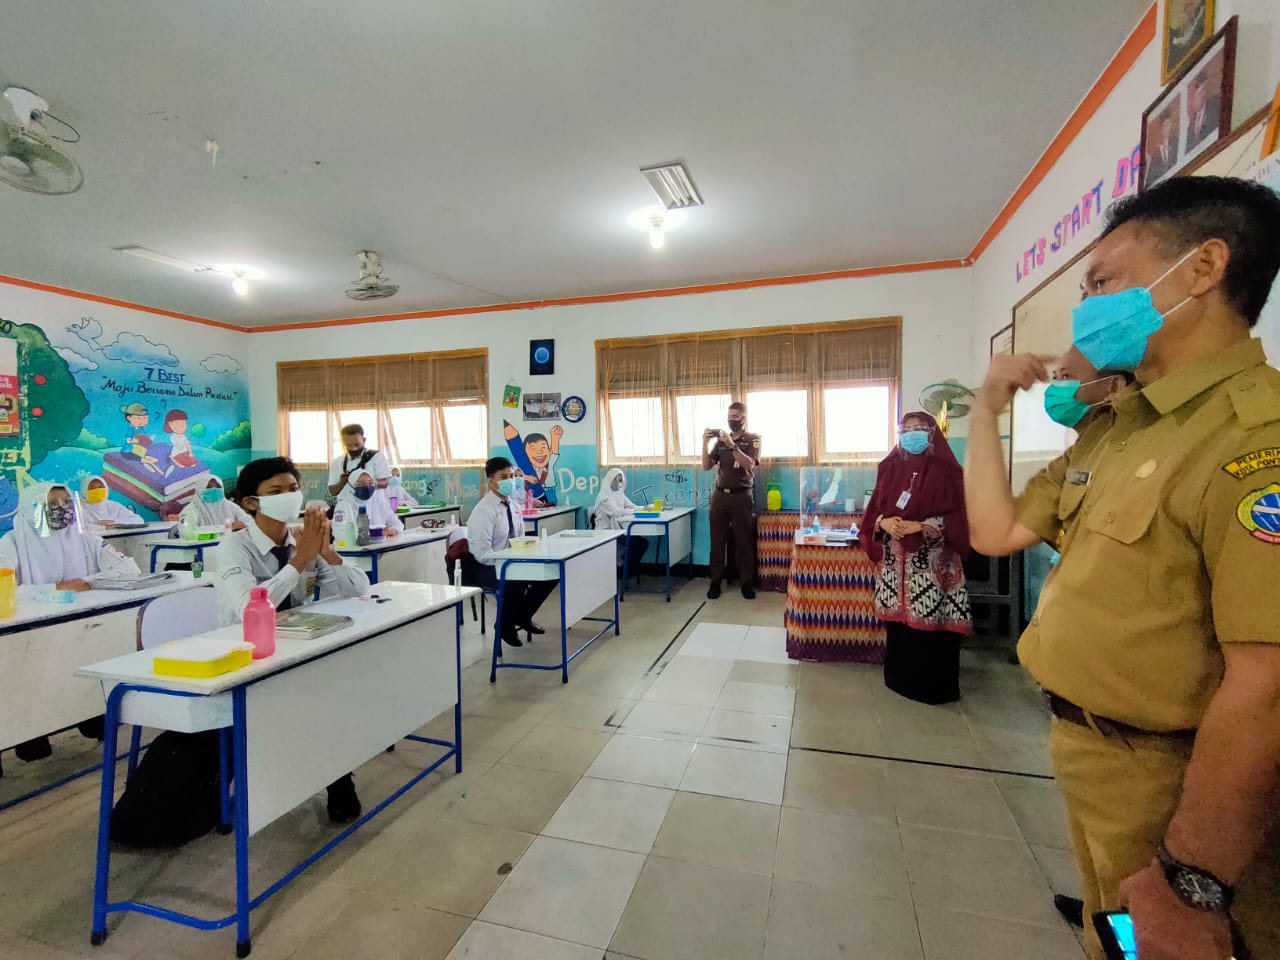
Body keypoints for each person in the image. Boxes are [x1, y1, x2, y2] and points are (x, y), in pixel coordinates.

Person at [965, 176, 1280, 960]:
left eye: (1105, 281)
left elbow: (1267, 683)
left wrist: (1193, 878)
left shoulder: (1253, 441)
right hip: (1092, 758)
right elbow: (996, 529)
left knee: (1174, 943)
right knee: (1115, 938)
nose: (1089, 306)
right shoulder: (1121, 429)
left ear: (1203, 269)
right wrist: (982, 411)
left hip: (1176, 790)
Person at [215, 456, 370, 823]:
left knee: (339, 683)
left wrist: (326, 552)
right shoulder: (234, 547)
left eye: (293, 489)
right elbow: (247, 608)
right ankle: (322, 776)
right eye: (275, 491)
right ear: (251, 502)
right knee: (317, 697)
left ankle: (337, 775)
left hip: (295, 644)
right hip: (244, 654)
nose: (289, 496)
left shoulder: (300, 538)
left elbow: (355, 591)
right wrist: (299, 561)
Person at [0, 482, 141, 761]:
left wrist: (87, 582)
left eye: (66, 503)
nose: (62, 510)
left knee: (79, 670)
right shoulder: (12, 542)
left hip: (78, 626)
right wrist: (55, 589)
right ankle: (31, 734)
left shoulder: (84, 537)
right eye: (52, 505)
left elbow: (128, 568)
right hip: (30, 634)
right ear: (32, 510)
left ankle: (84, 717)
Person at [858, 412, 971, 704]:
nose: (912, 434)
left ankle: (932, 688)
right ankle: (899, 680)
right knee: (900, 627)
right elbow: (875, 510)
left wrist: (922, 527)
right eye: (905, 429)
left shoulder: (946, 470)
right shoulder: (890, 467)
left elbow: (960, 515)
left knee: (932, 624)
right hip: (896, 563)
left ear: (932, 432)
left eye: (919, 428)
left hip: (933, 563)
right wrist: (883, 523)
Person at [468, 457, 555, 647]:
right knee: (515, 578)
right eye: (503, 477)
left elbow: (520, 539)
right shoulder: (484, 511)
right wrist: (509, 562)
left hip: (511, 561)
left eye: (511, 476)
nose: (510, 481)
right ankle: (505, 626)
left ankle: (522, 615)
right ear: (491, 482)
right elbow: (482, 554)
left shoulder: (515, 506)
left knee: (550, 574)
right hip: (486, 567)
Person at [702, 401, 761, 599]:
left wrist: (732, 445)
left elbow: (749, 465)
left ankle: (746, 583)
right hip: (720, 496)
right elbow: (706, 466)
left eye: (735, 417)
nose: (731, 420)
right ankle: (715, 582)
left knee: (743, 542)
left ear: (744, 418)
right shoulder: (720, 442)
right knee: (717, 542)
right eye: (729, 416)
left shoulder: (754, 439)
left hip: (742, 496)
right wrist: (705, 443)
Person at [592, 468, 648, 578]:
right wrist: (636, 511)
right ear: (609, 480)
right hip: (605, 533)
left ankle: (624, 568)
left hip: (617, 531)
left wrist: (646, 508)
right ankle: (622, 572)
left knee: (643, 543)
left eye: (620, 480)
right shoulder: (603, 497)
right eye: (615, 480)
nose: (618, 483)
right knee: (636, 544)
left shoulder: (619, 493)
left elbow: (631, 506)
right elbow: (617, 512)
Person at [327, 424, 389, 499]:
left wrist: (368, 484)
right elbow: (332, 491)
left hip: (373, 507)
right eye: (348, 445)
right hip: (347, 507)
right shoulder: (336, 462)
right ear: (343, 443)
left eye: (357, 444)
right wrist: (342, 482)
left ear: (364, 440)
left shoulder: (377, 457)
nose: (353, 449)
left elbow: (385, 483)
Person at [334, 469, 403, 537]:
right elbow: (339, 532)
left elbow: (398, 524)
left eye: (370, 483)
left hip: (380, 545)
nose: (366, 487)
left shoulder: (378, 501)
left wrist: (393, 530)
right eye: (360, 484)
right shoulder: (343, 506)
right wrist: (374, 533)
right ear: (351, 487)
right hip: (352, 547)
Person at [78, 474, 144, 528]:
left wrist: (113, 522)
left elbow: (139, 520)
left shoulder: (114, 506)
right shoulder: (81, 508)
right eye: (92, 488)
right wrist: (102, 527)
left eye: (101, 487)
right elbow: (78, 527)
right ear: (84, 491)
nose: (97, 490)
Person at [1184, 69, 1222, 152]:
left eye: (1195, 96)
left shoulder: (1215, 107)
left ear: (1203, 91)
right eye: (1189, 98)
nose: (1191, 102)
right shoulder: (1190, 125)